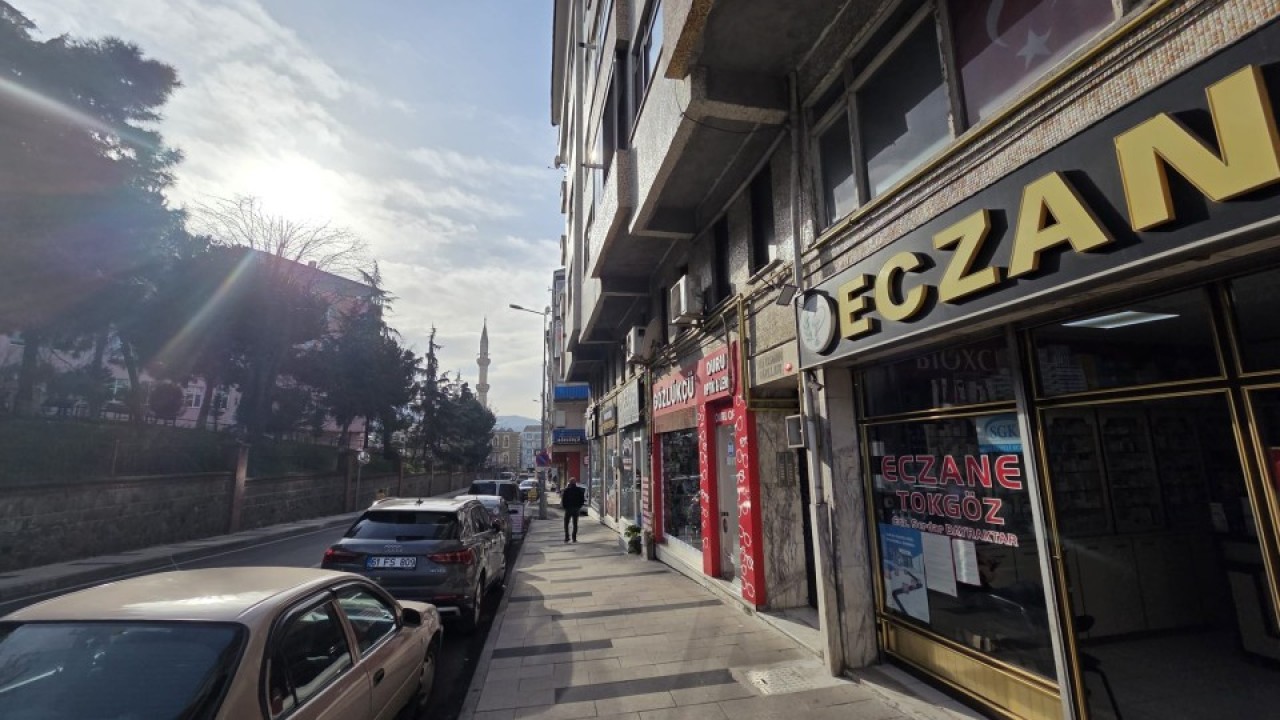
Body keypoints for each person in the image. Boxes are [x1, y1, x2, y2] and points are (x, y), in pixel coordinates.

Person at [560, 477, 585, 543]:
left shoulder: (566, 490)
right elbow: (582, 499)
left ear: (569, 483)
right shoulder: (579, 490)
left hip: (568, 509)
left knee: (566, 523)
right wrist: (579, 506)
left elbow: (563, 500)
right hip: (576, 509)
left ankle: (567, 537)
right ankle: (574, 538)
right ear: (575, 483)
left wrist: (565, 507)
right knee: (575, 524)